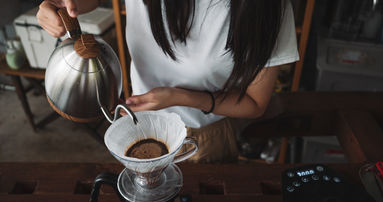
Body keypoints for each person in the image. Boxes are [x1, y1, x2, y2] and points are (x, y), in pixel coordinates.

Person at [37, 0, 299, 163]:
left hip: (205, 136)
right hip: (139, 123)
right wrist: (62, 6)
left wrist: (181, 97)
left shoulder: (270, 9)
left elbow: (255, 103)